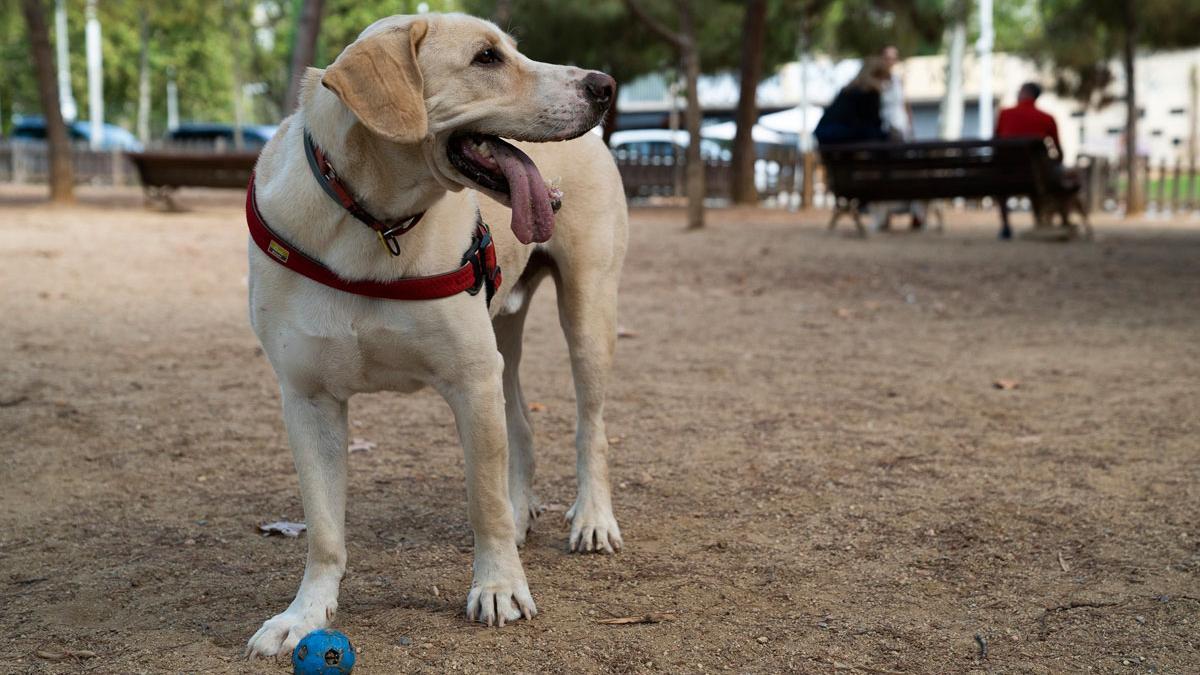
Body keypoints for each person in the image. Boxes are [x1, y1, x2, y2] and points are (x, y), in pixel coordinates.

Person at [994, 82, 1071, 239]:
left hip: (1006, 174)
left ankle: (1006, 224)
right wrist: (1056, 164)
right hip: (1037, 178)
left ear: (1023, 92)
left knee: (1002, 182)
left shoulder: (1005, 114)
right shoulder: (1047, 118)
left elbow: (996, 142)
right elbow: (1058, 150)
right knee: (1038, 177)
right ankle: (1039, 220)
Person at [813, 57, 891, 146]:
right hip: (837, 134)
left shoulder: (850, 88)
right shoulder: (869, 91)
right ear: (878, 75)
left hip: (824, 133)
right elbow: (872, 123)